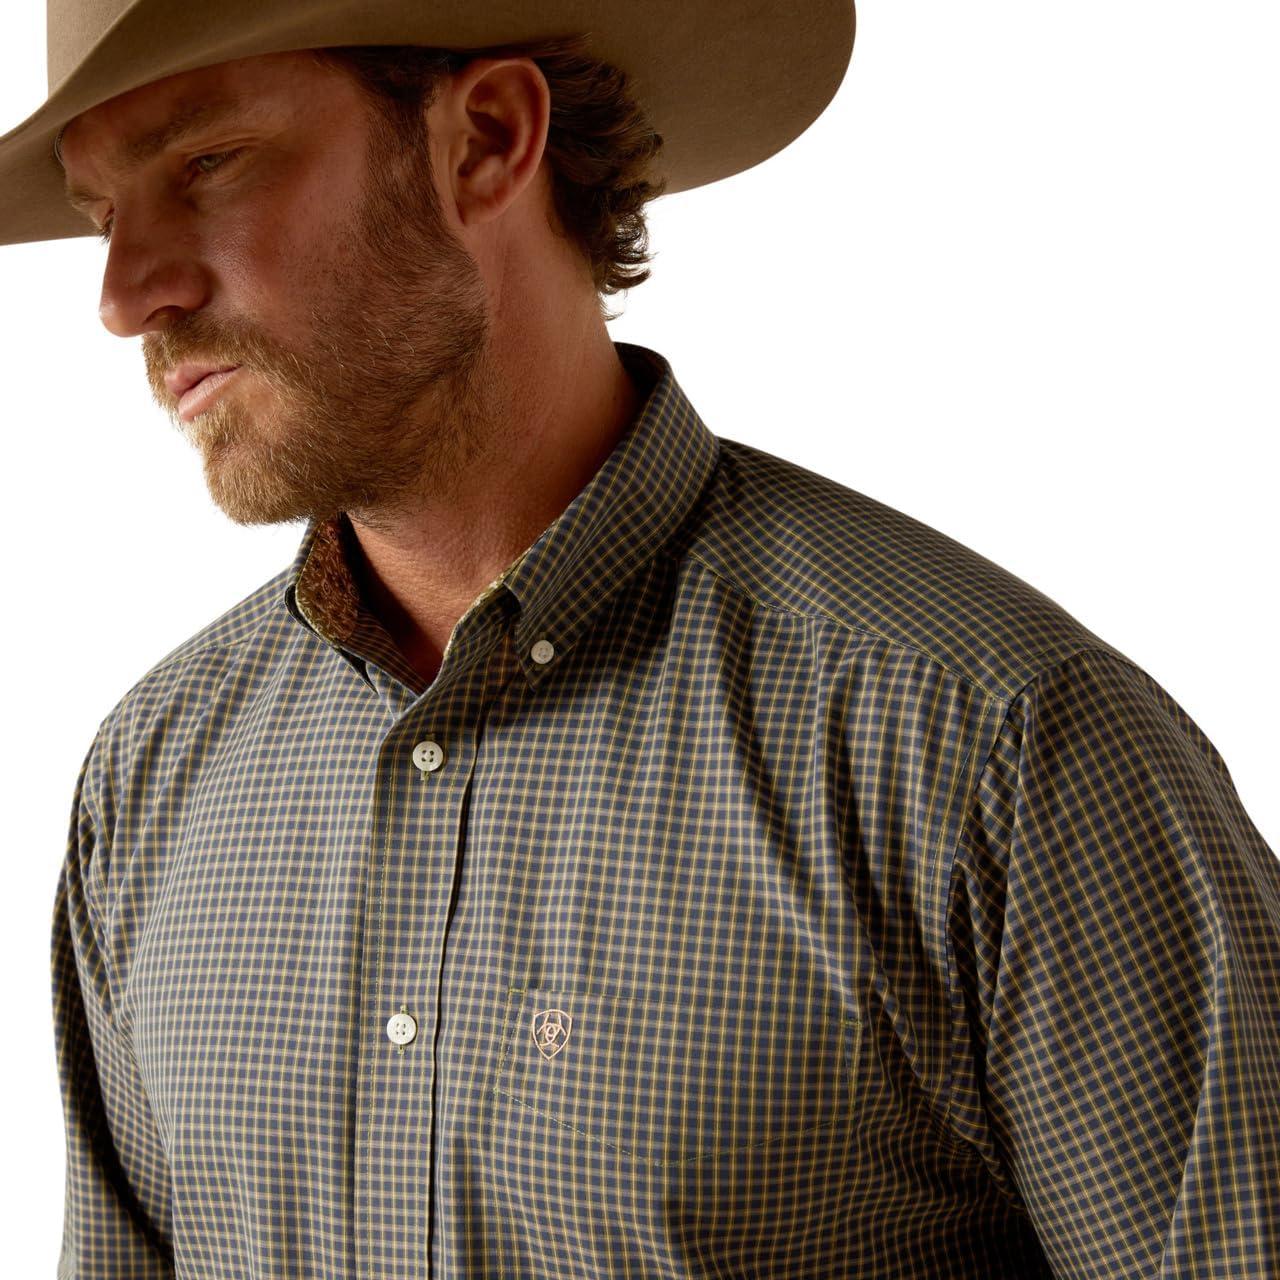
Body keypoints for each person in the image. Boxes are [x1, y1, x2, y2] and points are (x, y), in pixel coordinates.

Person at [2, 2, 1276, 1277]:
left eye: (208, 164)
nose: (124, 296)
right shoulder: (153, 777)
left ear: (485, 140)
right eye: (104, 214)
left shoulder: (991, 748)